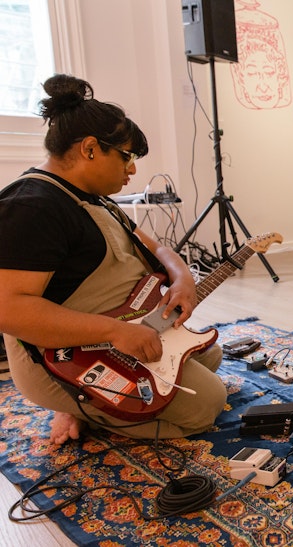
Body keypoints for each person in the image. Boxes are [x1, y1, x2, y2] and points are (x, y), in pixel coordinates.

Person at [0, 74, 227, 444]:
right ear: (91, 149)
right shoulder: (31, 207)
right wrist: (115, 331)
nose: (132, 169)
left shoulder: (95, 198)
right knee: (207, 405)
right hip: (64, 357)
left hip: (126, 329)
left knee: (209, 355)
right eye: (127, 157)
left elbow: (159, 250)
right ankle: (77, 404)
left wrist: (182, 278)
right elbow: (8, 310)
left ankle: (91, 404)